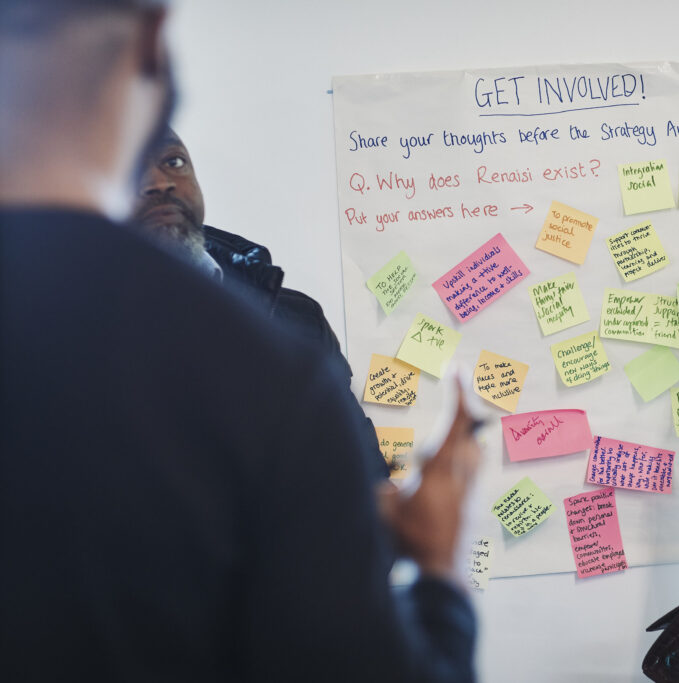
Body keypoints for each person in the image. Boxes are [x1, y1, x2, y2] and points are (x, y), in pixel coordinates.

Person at [0, 1, 478, 681]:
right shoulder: (269, 373)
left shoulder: (288, 330)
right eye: (144, 163)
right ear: (153, 43)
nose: (158, 180)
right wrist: (439, 568)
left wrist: (364, 513)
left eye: (173, 161)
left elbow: (359, 486)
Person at [130, 128, 388, 478]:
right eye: (130, 167)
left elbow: (365, 480)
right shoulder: (57, 340)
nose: (160, 183)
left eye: (174, 161)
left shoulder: (298, 321)